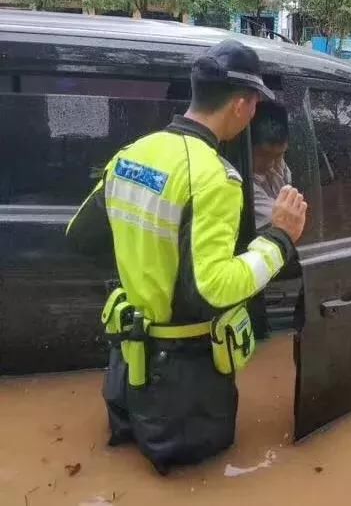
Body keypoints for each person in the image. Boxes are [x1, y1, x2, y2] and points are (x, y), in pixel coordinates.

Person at [65, 39, 307, 474]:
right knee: (196, 475)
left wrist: (145, 262)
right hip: (184, 387)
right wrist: (280, 239)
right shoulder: (215, 178)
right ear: (241, 105)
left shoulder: (132, 155)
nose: (254, 114)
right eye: (254, 104)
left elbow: (81, 237)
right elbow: (214, 289)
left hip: (127, 369)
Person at [251, 100, 292, 230]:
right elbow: (285, 222)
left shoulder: (280, 169)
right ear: (248, 147)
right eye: (263, 155)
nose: (270, 164)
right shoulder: (243, 187)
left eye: (278, 156)